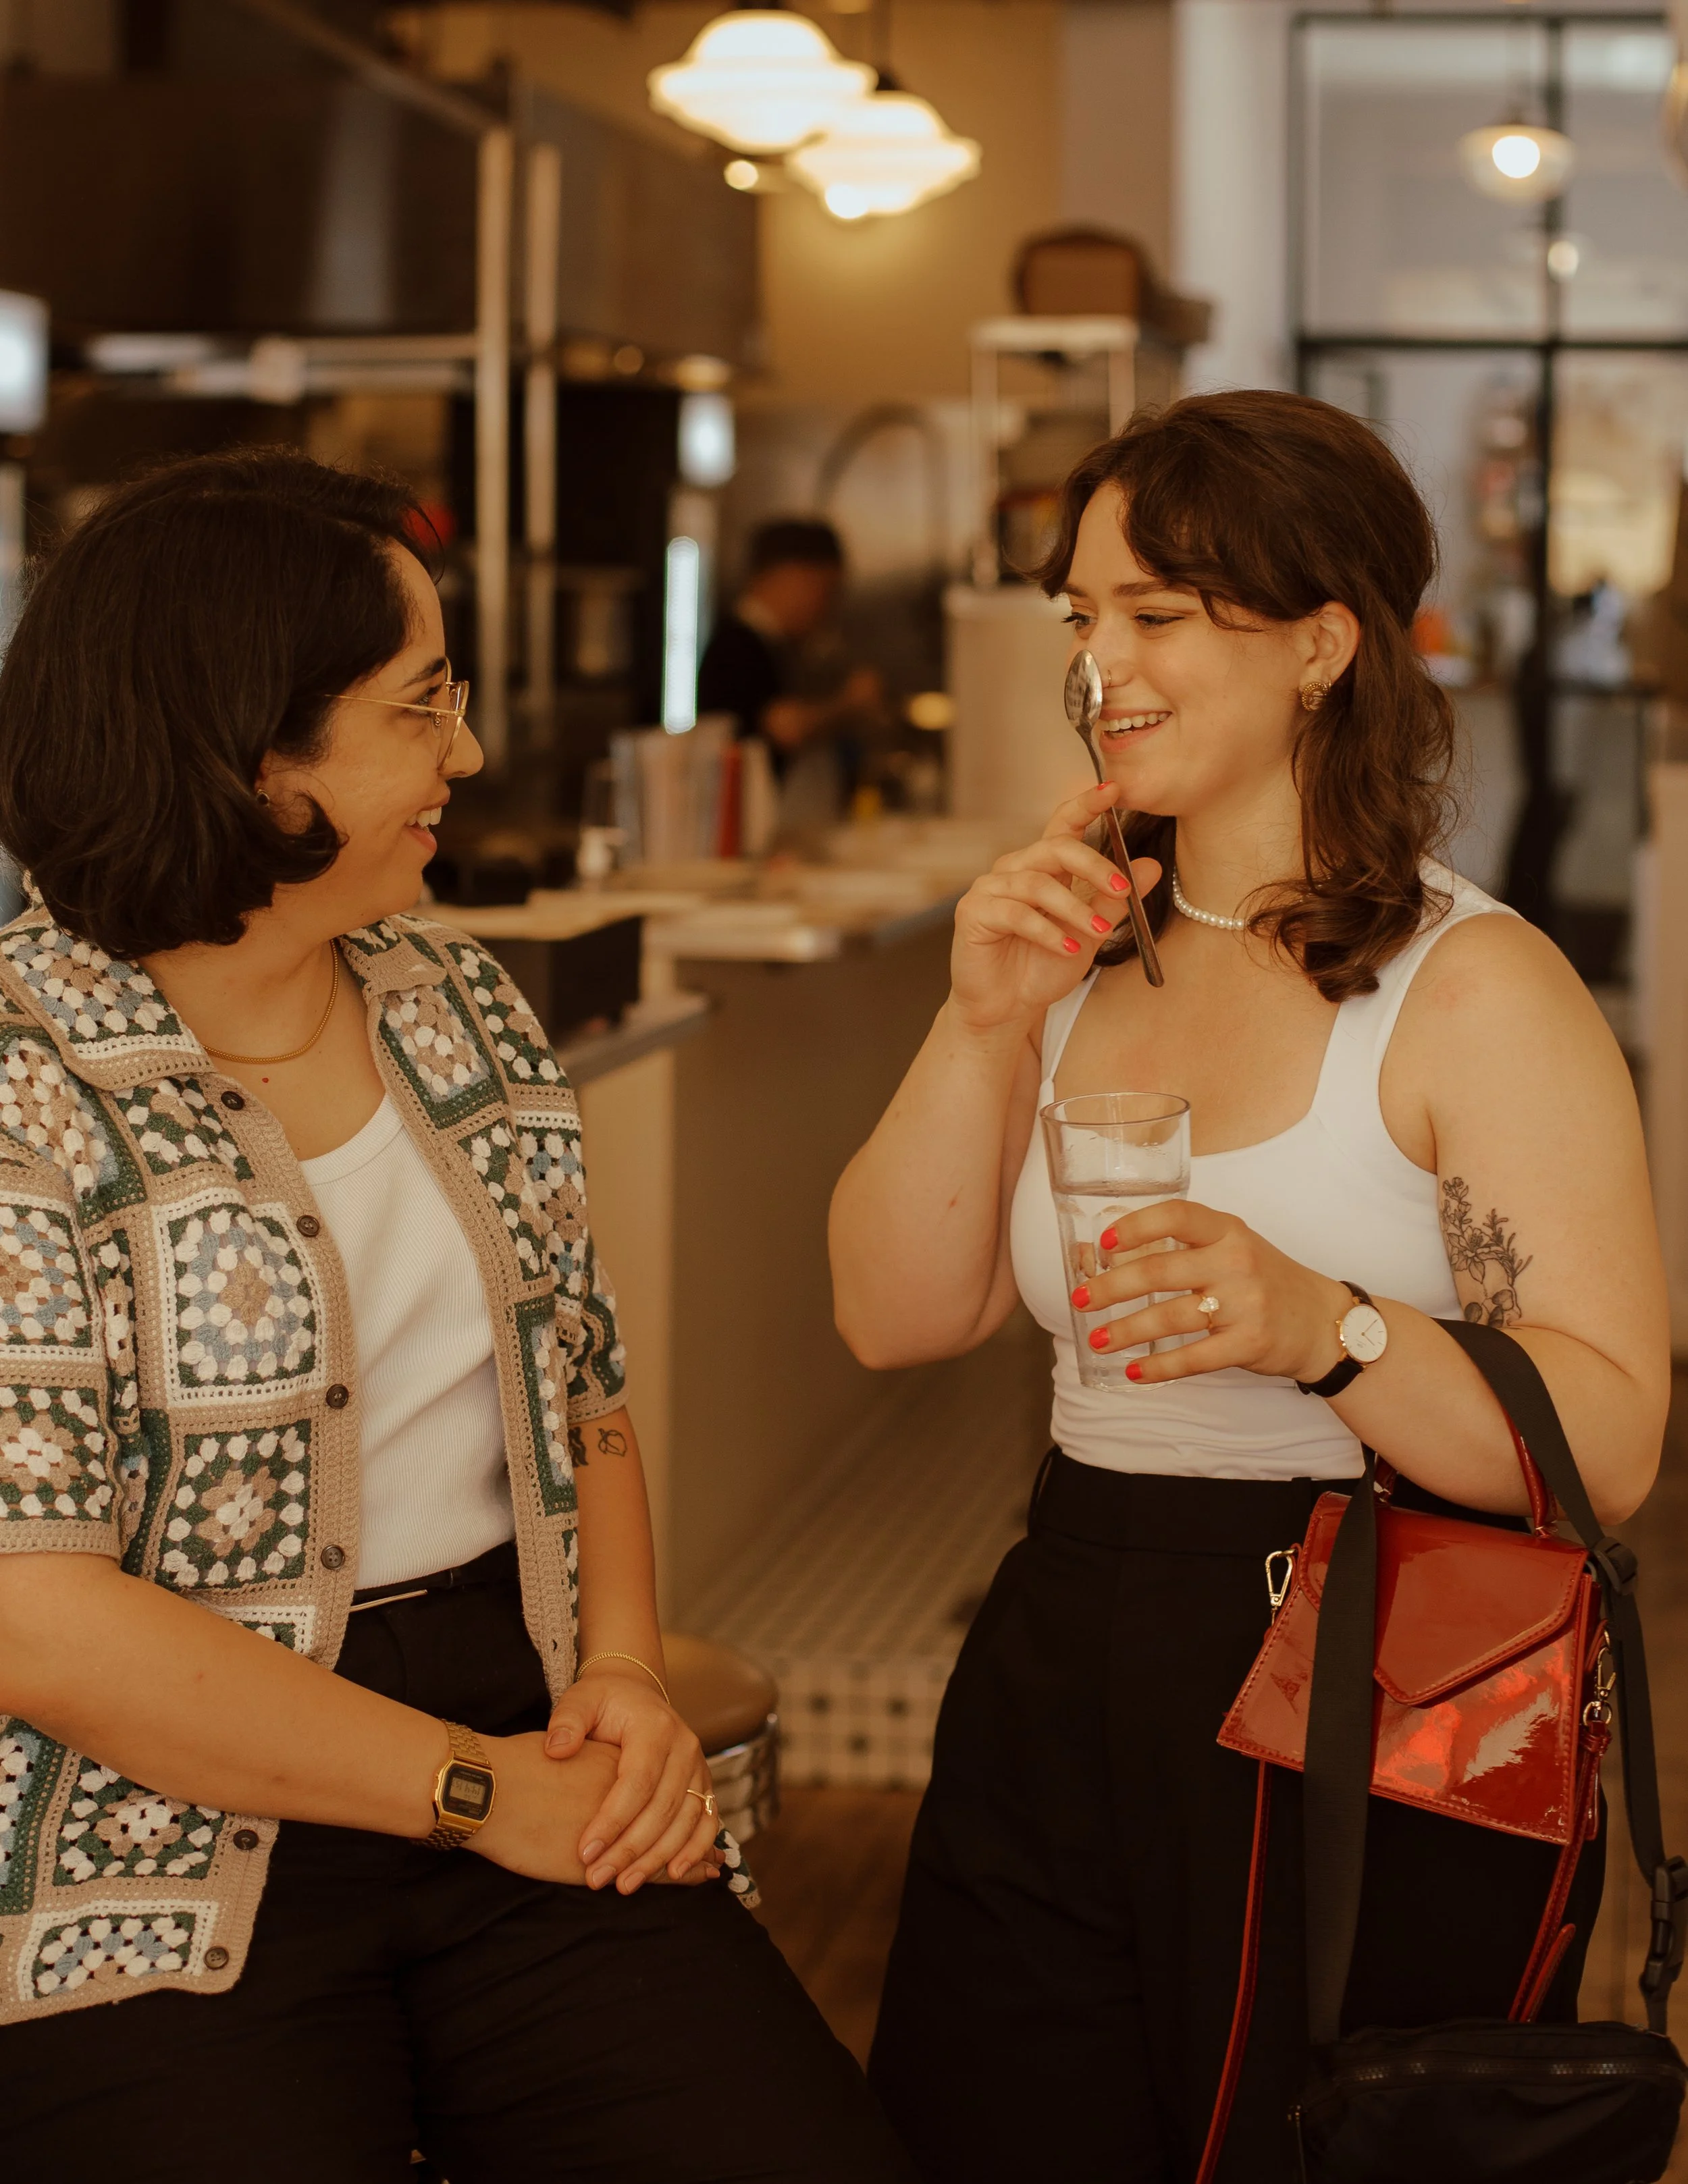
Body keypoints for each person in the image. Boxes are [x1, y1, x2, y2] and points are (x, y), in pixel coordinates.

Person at [0, 450, 916, 2184]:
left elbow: (584, 1397)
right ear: (254, 759)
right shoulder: (24, 1083)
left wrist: (627, 1676)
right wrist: (485, 1796)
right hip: (149, 1841)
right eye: (422, 709)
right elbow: (37, 1620)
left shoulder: (458, 1000)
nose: (472, 757)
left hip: (522, 1735)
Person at [828, 391, 1670, 2183]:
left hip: (1374, 1649)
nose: (1096, 664)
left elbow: (1605, 1442)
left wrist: (1333, 1330)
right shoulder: (1070, 951)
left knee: (1295, 2140)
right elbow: (891, 1314)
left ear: (1317, 642)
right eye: (1079, 616)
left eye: (1152, 615)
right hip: (1067, 1619)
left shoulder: (1473, 989)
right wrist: (978, 1017)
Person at [697, 516, 886, 787]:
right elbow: (787, 728)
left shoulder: (770, 644)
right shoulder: (739, 645)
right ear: (789, 576)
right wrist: (851, 702)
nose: (827, 609)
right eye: (825, 591)